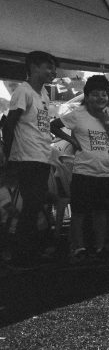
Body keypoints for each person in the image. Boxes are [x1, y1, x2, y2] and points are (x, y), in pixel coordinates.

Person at [50, 75, 109, 262]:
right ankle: (78, 248)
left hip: (106, 171)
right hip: (83, 171)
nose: (101, 98)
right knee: (80, 212)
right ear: (87, 95)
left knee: (101, 211)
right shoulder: (77, 114)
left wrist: (105, 121)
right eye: (95, 94)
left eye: (104, 94)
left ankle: (99, 247)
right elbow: (54, 126)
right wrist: (71, 139)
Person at [3, 51, 58, 268]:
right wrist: (9, 156)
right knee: (32, 204)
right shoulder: (22, 91)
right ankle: (21, 255)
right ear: (34, 67)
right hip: (26, 157)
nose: (53, 72)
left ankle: (30, 251)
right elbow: (9, 124)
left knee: (35, 204)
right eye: (48, 67)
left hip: (42, 156)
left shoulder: (43, 93)